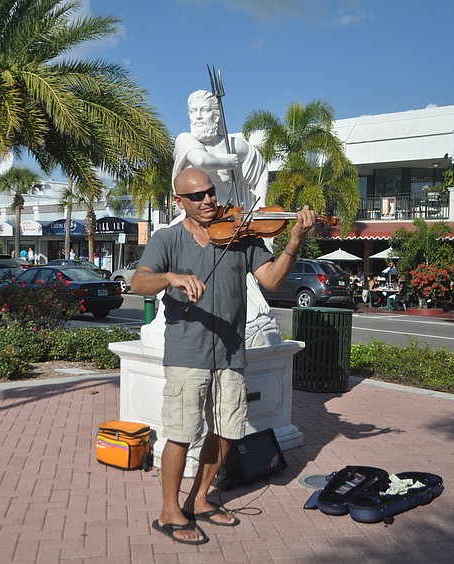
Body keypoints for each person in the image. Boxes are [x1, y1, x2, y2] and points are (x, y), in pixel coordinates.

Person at [131, 167, 316, 545]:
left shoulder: (242, 236)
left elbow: (272, 281)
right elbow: (138, 282)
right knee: (181, 435)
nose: (208, 200)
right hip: (187, 354)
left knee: (228, 430)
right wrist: (171, 279)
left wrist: (295, 240)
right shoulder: (168, 239)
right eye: (197, 196)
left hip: (231, 353)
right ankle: (169, 511)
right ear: (179, 201)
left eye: (211, 192)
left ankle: (199, 499)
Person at [141, 89, 278, 349]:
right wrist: (228, 161)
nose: (198, 117)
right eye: (193, 112)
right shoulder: (185, 139)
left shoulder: (234, 144)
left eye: (204, 111)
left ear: (217, 115)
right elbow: (201, 159)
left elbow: (260, 171)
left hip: (228, 225)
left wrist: (257, 211)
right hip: (189, 225)